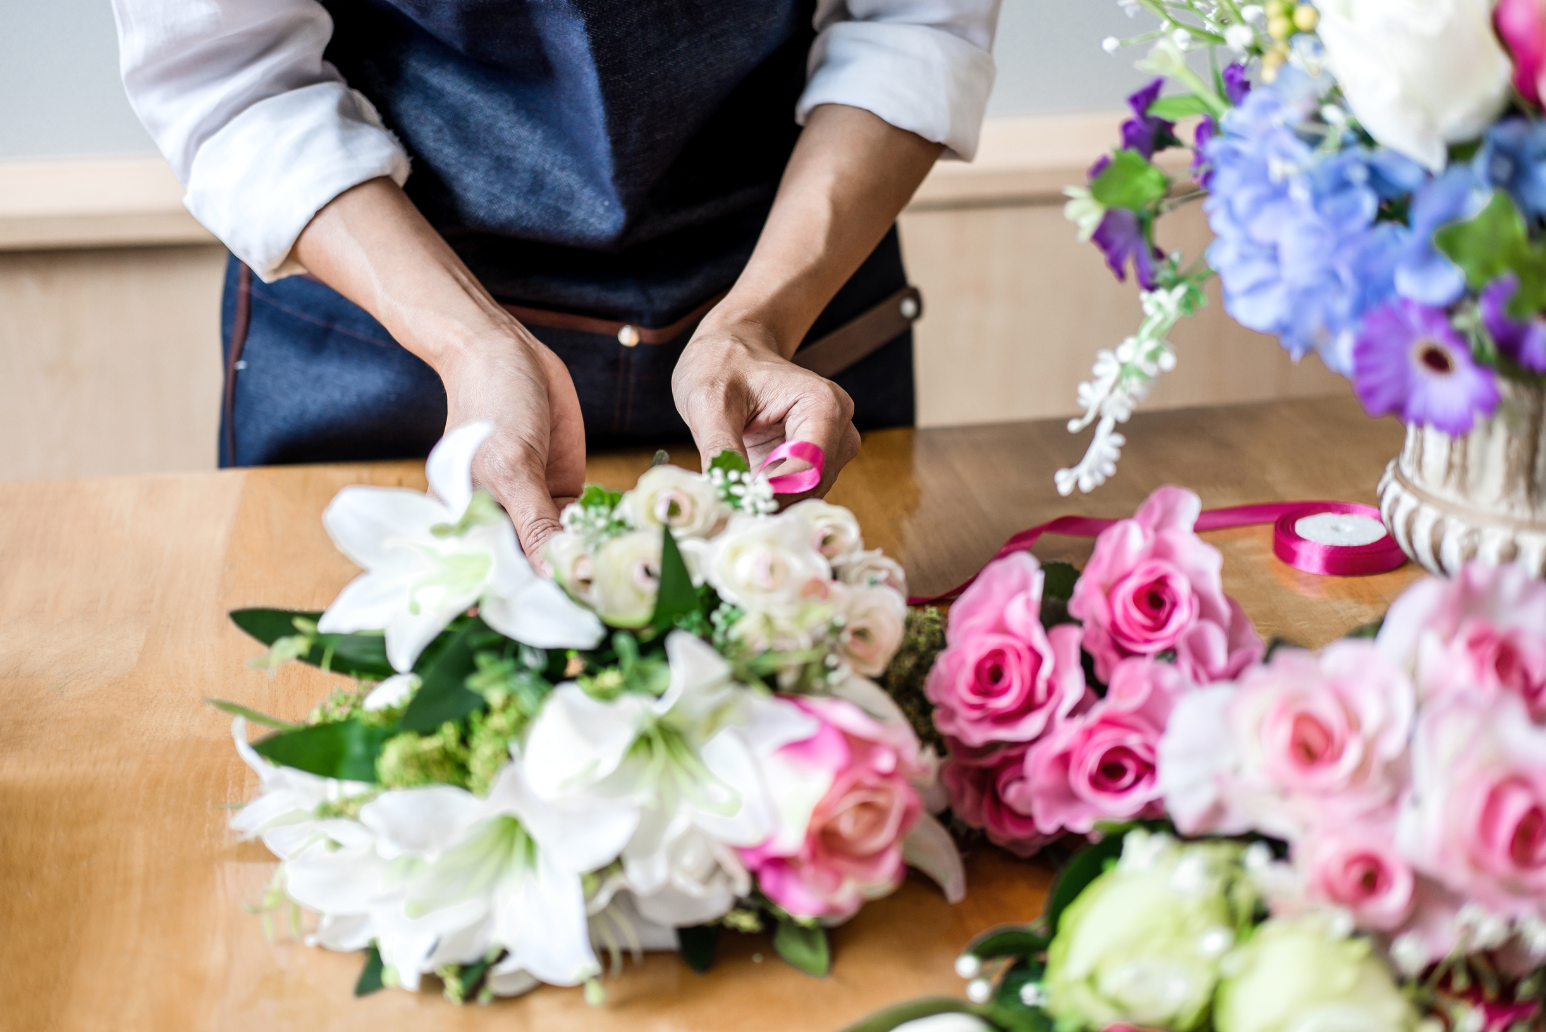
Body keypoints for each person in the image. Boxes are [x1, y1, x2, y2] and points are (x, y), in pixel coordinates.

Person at [111, 0, 1000, 558]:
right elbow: (230, 77)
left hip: (789, 288)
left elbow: (915, 23)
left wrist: (761, 318)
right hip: (383, 321)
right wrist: (469, 343)